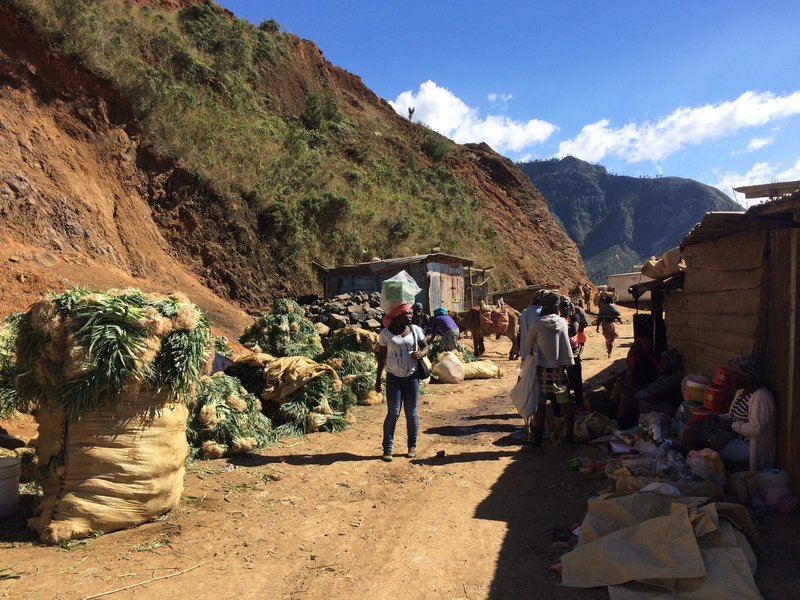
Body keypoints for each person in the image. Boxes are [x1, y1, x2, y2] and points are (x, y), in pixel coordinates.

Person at [375, 303, 429, 462]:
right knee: (394, 413)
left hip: (412, 377)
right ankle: (388, 448)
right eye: (408, 314)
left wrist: (421, 354)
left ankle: (412, 446)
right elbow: (381, 358)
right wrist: (378, 379)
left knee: (411, 413)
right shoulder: (385, 334)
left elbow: (426, 347)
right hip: (393, 378)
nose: (411, 316)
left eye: (411, 313)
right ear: (397, 316)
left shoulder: (415, 330)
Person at [522, 291, 575, 449]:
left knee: (540, 404)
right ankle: (569, 437)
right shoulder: (562, 322)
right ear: (556, 307)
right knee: (565, 402)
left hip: (542, 369)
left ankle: (537, 441)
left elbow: (527, 345)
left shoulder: (537, 323)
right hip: (560, 368)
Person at [716, 357, 776, 471]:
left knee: (709, 446)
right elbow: (732, 416)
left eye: (734, 375)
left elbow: (755, 428)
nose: (731, 379)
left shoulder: (762, 397)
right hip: (737, 439)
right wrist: (716, 418)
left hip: (751, 449)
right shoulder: (741, 392)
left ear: (746, 376)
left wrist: (733, 426)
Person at [637, 347, 683, 416]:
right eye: (660, 362)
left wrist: (635, 397)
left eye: (664, 363)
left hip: (664, 409)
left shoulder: (674, 379)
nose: (660, 365)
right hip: (654, 404)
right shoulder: (664, 377)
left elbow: (655, 398)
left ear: (672, 365)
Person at [563, 295, 589, 410]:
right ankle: (566, 406)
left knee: (576, 381)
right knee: (563, 383)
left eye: (567, 305)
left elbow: (573, 331)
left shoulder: (574, 316)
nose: (565, 308)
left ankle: (579, 405)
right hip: (561, 354)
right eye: (562, 306)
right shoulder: (558, 319)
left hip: (573, 354)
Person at [518, 289, 545, 363]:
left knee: (525, 373)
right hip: (537, 353)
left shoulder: (524, 312)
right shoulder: (541, 313)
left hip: (524, 351)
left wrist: (519, 349)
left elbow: (520, 331)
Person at [597, 293, 622, 357]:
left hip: (605, 324)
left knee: (607, 338)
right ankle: (609, 351)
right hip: (612, 324)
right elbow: (617, 315)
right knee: (611, 338)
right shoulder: (613, 306)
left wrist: (597, 327)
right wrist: (620, 321)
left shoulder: (603, 307)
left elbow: (599, 317)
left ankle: (609, 350)